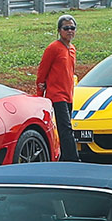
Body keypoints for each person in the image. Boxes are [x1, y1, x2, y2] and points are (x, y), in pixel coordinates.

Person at [35, 14, 80, 161]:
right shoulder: (53, 48)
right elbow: (42, 72)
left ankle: (64, 157)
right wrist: (39, 95)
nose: (69, 31)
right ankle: (73, 159)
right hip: (56, 96)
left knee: (65, 128)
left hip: (68, 96)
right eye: (66, 28)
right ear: (59, 30)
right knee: (65, 129)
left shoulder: (72, 49)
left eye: (72, 28)